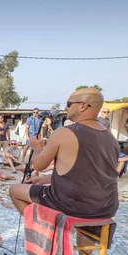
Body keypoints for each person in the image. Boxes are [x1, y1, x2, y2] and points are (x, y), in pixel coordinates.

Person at [9, 88, 120, 220]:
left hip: (71, 204)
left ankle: (42, 231)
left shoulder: (64, 132)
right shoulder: (111, 138)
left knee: (14, 190)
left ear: (83, 106)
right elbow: (87, 175)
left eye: (68, 104)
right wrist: (45, 180)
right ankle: (84, 239)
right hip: (107, 206)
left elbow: (38, 166)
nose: (65, 108)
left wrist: (38, 147)